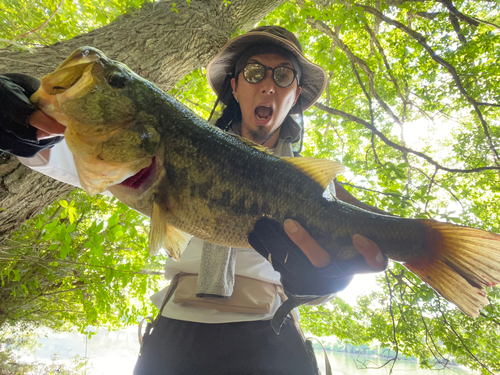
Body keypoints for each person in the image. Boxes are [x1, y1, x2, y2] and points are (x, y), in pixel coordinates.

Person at [0, 26, 387, 375]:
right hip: (173, 335)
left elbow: (341, 259)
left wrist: (327, 284)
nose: (268, 85)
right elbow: (65, 151)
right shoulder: (160, 145)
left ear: (295, 96)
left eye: (283, 75)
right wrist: (23, 128)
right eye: (255, 73)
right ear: (234, 87)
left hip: (274, 334)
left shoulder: (317, 189)